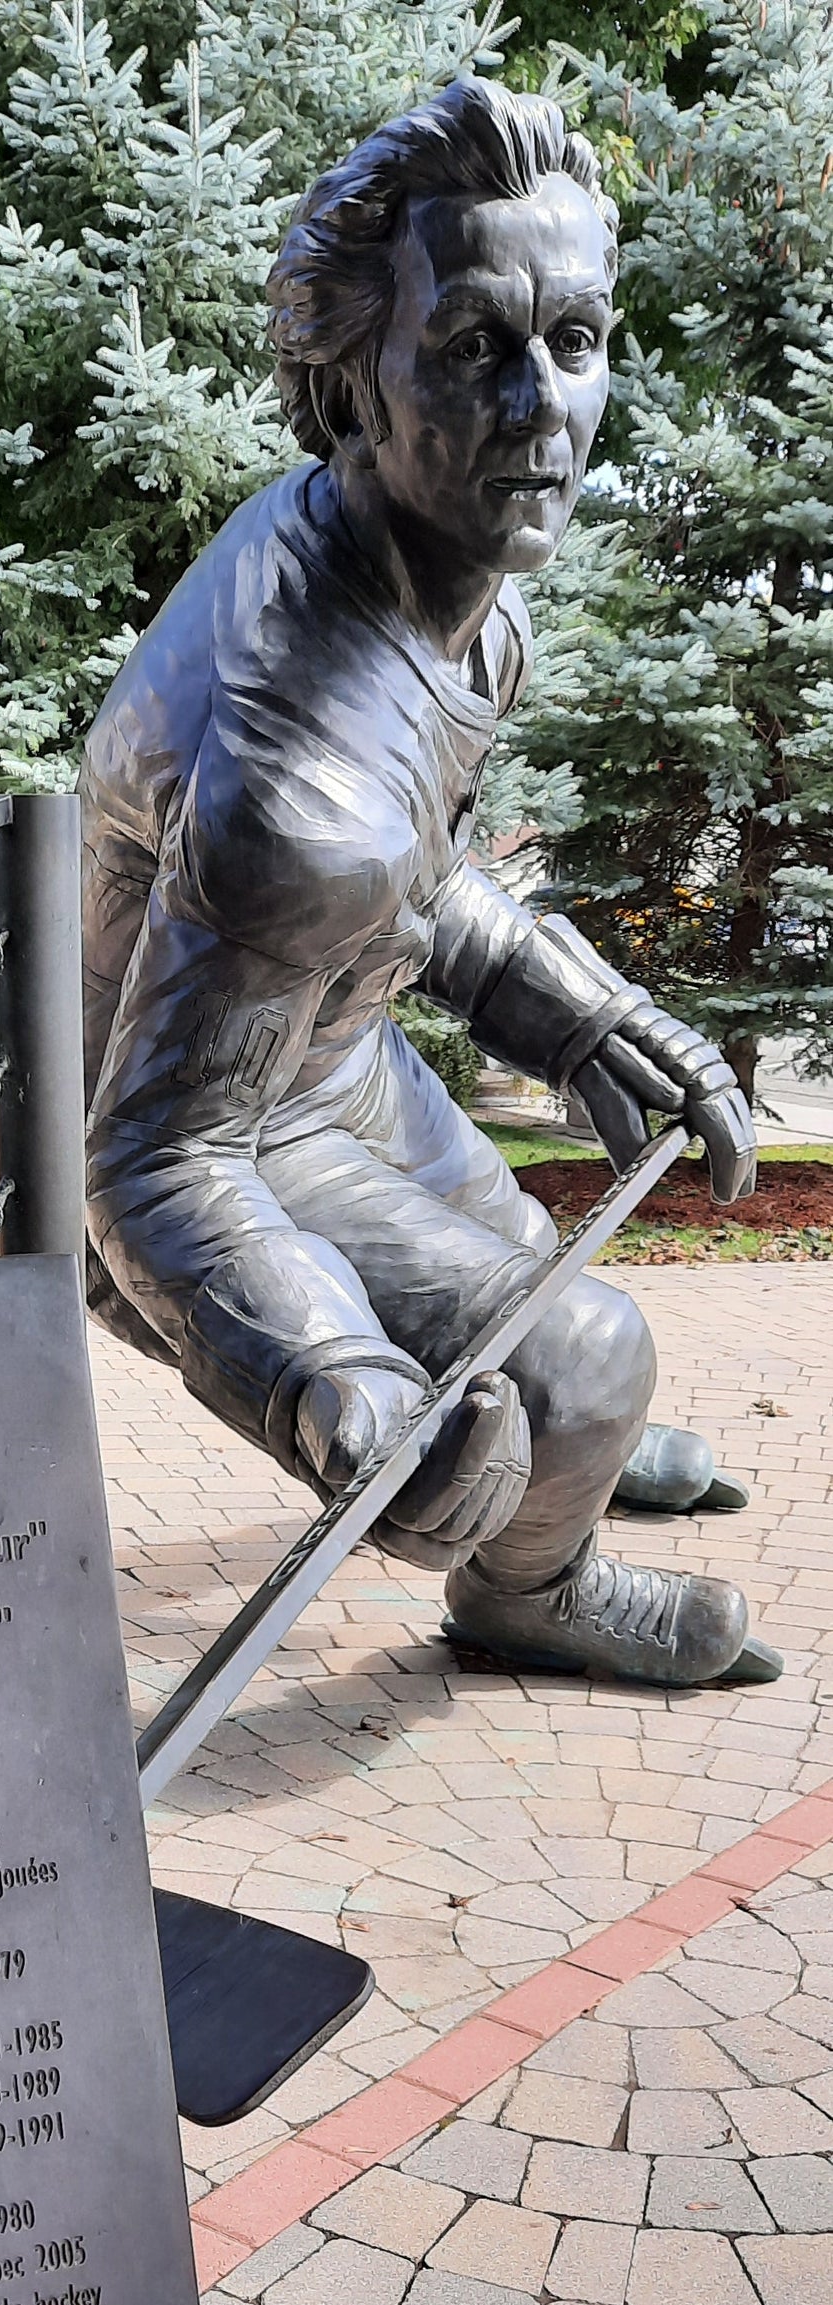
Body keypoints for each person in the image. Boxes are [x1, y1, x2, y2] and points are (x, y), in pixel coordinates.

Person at [80, 77, 777, 1686]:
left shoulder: (428, 569)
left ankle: (562, 1461)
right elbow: (150, 1167)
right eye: (472, 349)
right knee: (591, 1349)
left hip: (329, 1047)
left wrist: (581, 1010)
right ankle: (526, 1588)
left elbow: (409, 879)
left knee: (547, 1334)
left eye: (577, 341)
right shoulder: (291, 778)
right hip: (202, 1128)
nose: (541, 408)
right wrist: (320, 1376)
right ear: (348, 389)